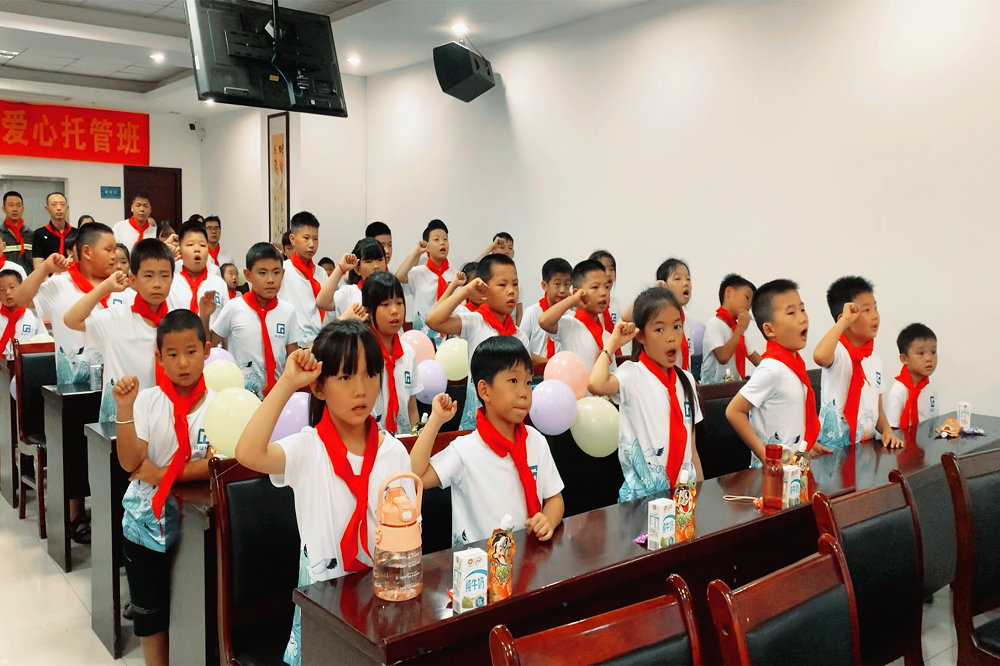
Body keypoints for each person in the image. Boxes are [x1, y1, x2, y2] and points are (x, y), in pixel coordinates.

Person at [234, 321, 416, 666]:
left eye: (370, 374)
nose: (361, 390)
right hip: (324, 606)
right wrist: (288, 383)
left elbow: (405, 535)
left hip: (381, 602)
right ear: (319, 387)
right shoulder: (308, 449)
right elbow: (247, 452)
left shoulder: (393, 452)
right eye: (345, 377)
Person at [112, 310, 216, 666]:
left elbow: (217, 464)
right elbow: (130, 462)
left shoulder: (219, 404)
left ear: (206, 350)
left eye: (191, 351)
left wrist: (162, 475)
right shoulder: (148, 401)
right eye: (172, 354)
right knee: (151, 616)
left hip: (197, 528)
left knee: (194, 611)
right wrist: (124, 410)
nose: (183, 363)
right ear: (158, 357)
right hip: (144, 526)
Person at [410, 335, 565, 548]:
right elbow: (415, 477)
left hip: (529, 556)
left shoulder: (535, 440)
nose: (524, 392)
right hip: (478, 562)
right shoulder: (464, 451)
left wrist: (548, 520)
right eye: (513, 381)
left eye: (528, 382)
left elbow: (555, 499)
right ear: (484, 390)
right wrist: (435, 420)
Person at [589, 287, 704, 501]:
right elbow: (595, 384)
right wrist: (612, 344)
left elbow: (692, 451)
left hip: (683, 501)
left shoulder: (687, 380)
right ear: (641, 335)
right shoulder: (632, 375)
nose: (671, 337)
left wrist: (700, 495)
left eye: (677, 327)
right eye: (659, 329)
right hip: (641, 503)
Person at [65, 239, 174, 424]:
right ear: (133, 280)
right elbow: (71, 319)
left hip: (163, 419)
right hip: (119, 420)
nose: (157, 284)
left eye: (164, 276)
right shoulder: (117, 318)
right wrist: (106, 287)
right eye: (148, 276)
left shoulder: (175, 322)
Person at [725, 279, 831, 467]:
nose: (802, 318)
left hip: (794, 469)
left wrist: (809, 444)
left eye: (802, 309)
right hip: (772, 474)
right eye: (791, 312)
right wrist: (765, 456)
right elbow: (734, 411)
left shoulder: (793, 365)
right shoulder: (771, 369)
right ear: (769, 329)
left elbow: (789, 419)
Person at [426, 253, 531, 430]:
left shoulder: (520, 337)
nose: (511, 291)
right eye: (502, 284)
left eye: (515, 284)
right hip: (475, 422)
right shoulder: (475, 322)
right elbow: (433, 320)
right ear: (484, 289)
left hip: (510, 424)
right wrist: (465, 291)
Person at [16, 222, 131, 385]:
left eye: (114, 249)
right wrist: (45, 268)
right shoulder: (60, 284)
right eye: (108, 250)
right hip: (71, 385)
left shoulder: (123, 287)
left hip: (117, 387)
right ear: (87, 252)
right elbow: (22, 299)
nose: (114, 256)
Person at [814, 276, 902, 449]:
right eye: (866, 310)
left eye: (875, 308)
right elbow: (820, 356)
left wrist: (887, 431)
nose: (875, 316)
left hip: (864, 451)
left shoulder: (875, 360)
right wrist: (843, 322)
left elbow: (878, 411)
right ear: (846, 318)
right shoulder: (838, 353)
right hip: (832, 452)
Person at [211, 242, 302, 398]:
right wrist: (205, 315)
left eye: (276, 272)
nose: (270, 279)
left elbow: (293, 356)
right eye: (262, 273)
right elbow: (210, 344)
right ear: (248, 275)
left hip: (277, 396)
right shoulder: (234, 307)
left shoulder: (288, 311)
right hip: (240, 396)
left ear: (283, 273)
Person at [357, 271, 422, 434]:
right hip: (370, 442)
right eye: (385, 304)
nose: (395, 311)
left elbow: (412, 409)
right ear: (368, 311)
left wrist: (416, 437)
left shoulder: (408, 353)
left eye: (399, 303)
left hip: (403, 442)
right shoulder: (359, 352)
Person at [538, 259, 614, 381]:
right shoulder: (569, 325)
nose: (603, 293)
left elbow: (611, 375)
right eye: (595, 287)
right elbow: (544, 321)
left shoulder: (607, 336)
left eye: (606, 287)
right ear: (577, 293)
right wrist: (572, 300)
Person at [395, 219, 456, 340]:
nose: (442, 243)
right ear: (427, 246)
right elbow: (399, 277)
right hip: (422, 336)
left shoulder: (455, 275)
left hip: (449, 336)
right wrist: (416, 252)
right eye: (436, 240)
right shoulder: (419, 273)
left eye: (445, 239)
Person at [166, 220, 229, 336]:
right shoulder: (170, 283)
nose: (197, 249)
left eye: (202, 245)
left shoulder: (219, 283)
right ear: (180, 250)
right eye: (190, 245)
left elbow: (225, 326)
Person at [701, 274, 762, 384]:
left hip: (732, 388)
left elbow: (757, 359)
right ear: (729, 292)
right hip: (712, 391)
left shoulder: (737, 332)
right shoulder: (715, 324)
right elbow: (723, 357)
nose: (748, 306)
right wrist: (740, 329)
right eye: (746, 298)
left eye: (751, 304)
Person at [276, 212, 326, 344]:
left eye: (315, 239)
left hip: (317, 341)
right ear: (292, 239)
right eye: (306, 238)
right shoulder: (282, 270)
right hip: (290, 341)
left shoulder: (321, 273)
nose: (312, 244)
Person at [884, 323, 939, 430]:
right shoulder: (898, 392)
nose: (929, 358)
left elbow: (934, 422)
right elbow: (892, 428)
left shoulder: (931, 390)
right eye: (921, 353)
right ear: (904, 359)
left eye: (933, 352)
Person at [519, 258, 572, 364]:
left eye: (566, 285)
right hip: (536, 370)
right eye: (557, 284)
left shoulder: (571, 316)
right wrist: (548, 363)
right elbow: (520, 348)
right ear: (544, 286)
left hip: (564, 369)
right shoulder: (532, 313)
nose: (563, 290)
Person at [316, 239, 387, 319]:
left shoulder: (393, 291)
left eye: (380, 260)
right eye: (368, 261)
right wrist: (341, 269)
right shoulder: (349, 293)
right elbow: (321, 302)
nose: (376, 266)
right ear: (357, 269)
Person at [0, 269, 41, 359]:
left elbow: (44, 342)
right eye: (2, 290)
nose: (7, 293)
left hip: (28, 363)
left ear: (22, 287)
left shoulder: (34, 316)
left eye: (12, 287)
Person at [31, 192, 74, 270]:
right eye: (54, 204)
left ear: (67, 208)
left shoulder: (77, 233)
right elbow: (38, 265)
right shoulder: (39, 234)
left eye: (62, 204)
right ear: (47, 208)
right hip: (49, 276)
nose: (59, 208)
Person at [2, 191, 33, 273]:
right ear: (4, 208)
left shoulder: (31, 235)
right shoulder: (0, 235)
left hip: (28, 279)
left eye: (18, 205)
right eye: (11, 205)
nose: (15, 209)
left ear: (23, 209)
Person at [589, 250, 621, 328]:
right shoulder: (587, 304)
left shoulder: (614, 304)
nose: (609, 274)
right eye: (603, 268)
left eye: (611, 269)